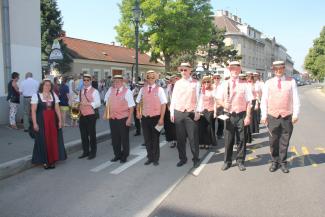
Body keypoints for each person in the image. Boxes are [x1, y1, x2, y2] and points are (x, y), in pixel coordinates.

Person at [260, 60, 300, 173]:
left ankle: (283, 162)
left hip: (287, 116)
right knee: (273, 141)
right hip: (272, 116)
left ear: (283, 69)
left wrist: (295, 114)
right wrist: (264, 115)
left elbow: (296, 99)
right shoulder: (268, 82)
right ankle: (274, 162)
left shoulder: (291, 81)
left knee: (284, 141)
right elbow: (264, 100)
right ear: (273, 70)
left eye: (280, 68)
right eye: (276, 69)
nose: (278, 71)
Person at [215, 61, 253, 171]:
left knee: (241, 139)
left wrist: (248, 117)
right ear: (229, 70)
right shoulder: (224, 84)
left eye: (236, 69)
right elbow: (217, 99)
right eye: (232, 69)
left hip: (241, 115)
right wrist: (223, 104)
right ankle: (227, 161)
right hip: (229, 115)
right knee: (228, 140)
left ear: (240, 69)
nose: (234, 71)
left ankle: (240, 161)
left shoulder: (245, 84)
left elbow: (249, 102)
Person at [170, 63, 201, 168]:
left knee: (193, 138)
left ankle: (196, 158)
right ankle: (182, 158)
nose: (183, 71)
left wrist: (198, 111)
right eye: (181, 70)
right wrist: (171, 113)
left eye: (185, 70)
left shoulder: (196, 83)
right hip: (178, 112)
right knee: (180, 139)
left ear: (189, 71)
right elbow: (173, 98)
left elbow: (199, 98)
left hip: (190, 113)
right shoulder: (177, 83)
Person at [31, 79, 66, 169]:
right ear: (42, 86)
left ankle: (52, 160)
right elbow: (33, 111)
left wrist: (60, 121)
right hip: (41, 121)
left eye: (49, 85)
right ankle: (45, 161)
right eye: (46, 85)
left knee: (53, 140)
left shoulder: (53, 95)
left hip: (52, 121)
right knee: (43, 140)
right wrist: (35, 123)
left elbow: (57, 109)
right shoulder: (36, 96)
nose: (48, 87)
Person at [136, 70, 167, 166]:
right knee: (147, 139)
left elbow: (163, 104)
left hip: (156, 118)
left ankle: (155, 159)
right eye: (148, 77)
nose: (150, 79)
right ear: (146, 79)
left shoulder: (160, 90)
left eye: (152, 77)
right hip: (145, 118)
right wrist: (138, 112)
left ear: (156, 78)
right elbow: (138, 102)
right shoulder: (142, 90)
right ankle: (150, 157)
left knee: (155, 139)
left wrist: (161, 118)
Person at [104, 74, 135, 163]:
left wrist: (129, 119)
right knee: (115, 138)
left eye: (118, 81)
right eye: (114, 81)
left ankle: (124, 155)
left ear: (122, 82)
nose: (116, 83)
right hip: (113, 118)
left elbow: (131, 106)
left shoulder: (127, 91)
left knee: (124, 138)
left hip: (123, 118)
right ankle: (117, 155)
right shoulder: (110, 90)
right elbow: (106, 100)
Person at [78, 74, 101, 160]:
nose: (86, 81)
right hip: (82, 115)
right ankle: (85, 151)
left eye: (88, 80)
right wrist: (75, 102)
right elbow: (79, 100)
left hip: (91, 115)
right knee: (83, 135)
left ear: (90, 81)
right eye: (84, 80)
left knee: (91, 134)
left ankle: (93, 152)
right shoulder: (80, 91)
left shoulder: (95, 91)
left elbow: (98, 103)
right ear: (83, 81)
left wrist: (87, 103)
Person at [197, 75, 218, 149]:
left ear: (210, 82)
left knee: (209, 128)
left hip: (210, 110)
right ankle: (201, 142)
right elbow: (197, 101)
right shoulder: (200, 90)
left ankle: (208, 142)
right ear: (202, 83)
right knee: (201, 127)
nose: (206, 83)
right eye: (204, 82)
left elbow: (216, 102)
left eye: (208, 81)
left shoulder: (213, 90)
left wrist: (215, 112)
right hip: (201, 110)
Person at [164, 74, 178, 148]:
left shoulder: (179, 86)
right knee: (171, 125)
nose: (172, 80)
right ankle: (173, 140)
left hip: (178, 108)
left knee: (178, 125)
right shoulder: (169, 87)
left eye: (174, 79)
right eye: (171, 79)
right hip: (170, 108)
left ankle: (180, 139)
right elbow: (167, 97)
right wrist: (168, 106)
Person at [212, 72, 224, 139]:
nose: (216, 79)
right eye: (215, 78)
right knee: (212, 121)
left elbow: (224, 96)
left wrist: (220, 104)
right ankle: (212, 134)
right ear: (213, 79)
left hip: (220, 106)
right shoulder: (211, 86)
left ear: (220, 79)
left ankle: (219, 134)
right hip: (212, 106)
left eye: (218, 78)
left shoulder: (222, 86)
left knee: (221, 121)